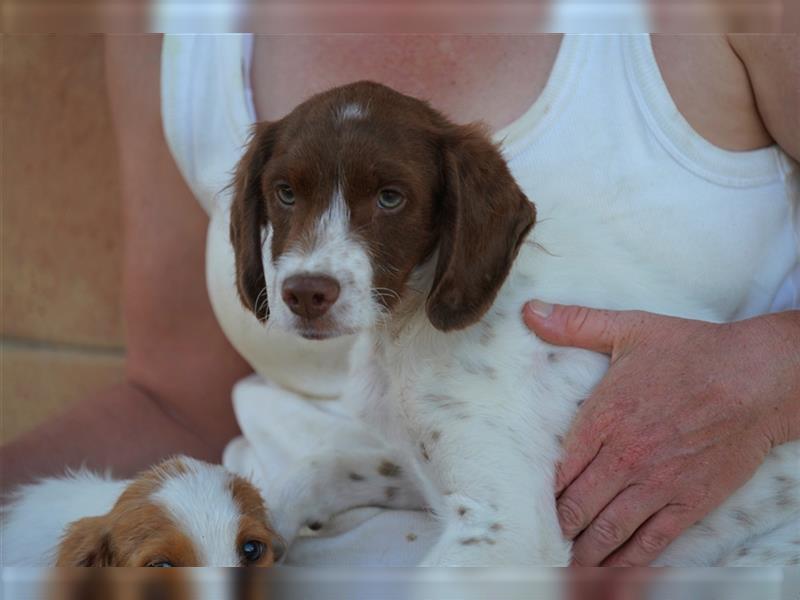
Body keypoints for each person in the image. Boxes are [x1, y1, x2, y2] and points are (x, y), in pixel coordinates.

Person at [2, 33, 798, 567]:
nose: (310, 266)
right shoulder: (177, 29)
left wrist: (768, 373)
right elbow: (168, 396)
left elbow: (508, 549)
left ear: (459, 216)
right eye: (288, 196)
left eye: (388, 198)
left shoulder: (490, 345)